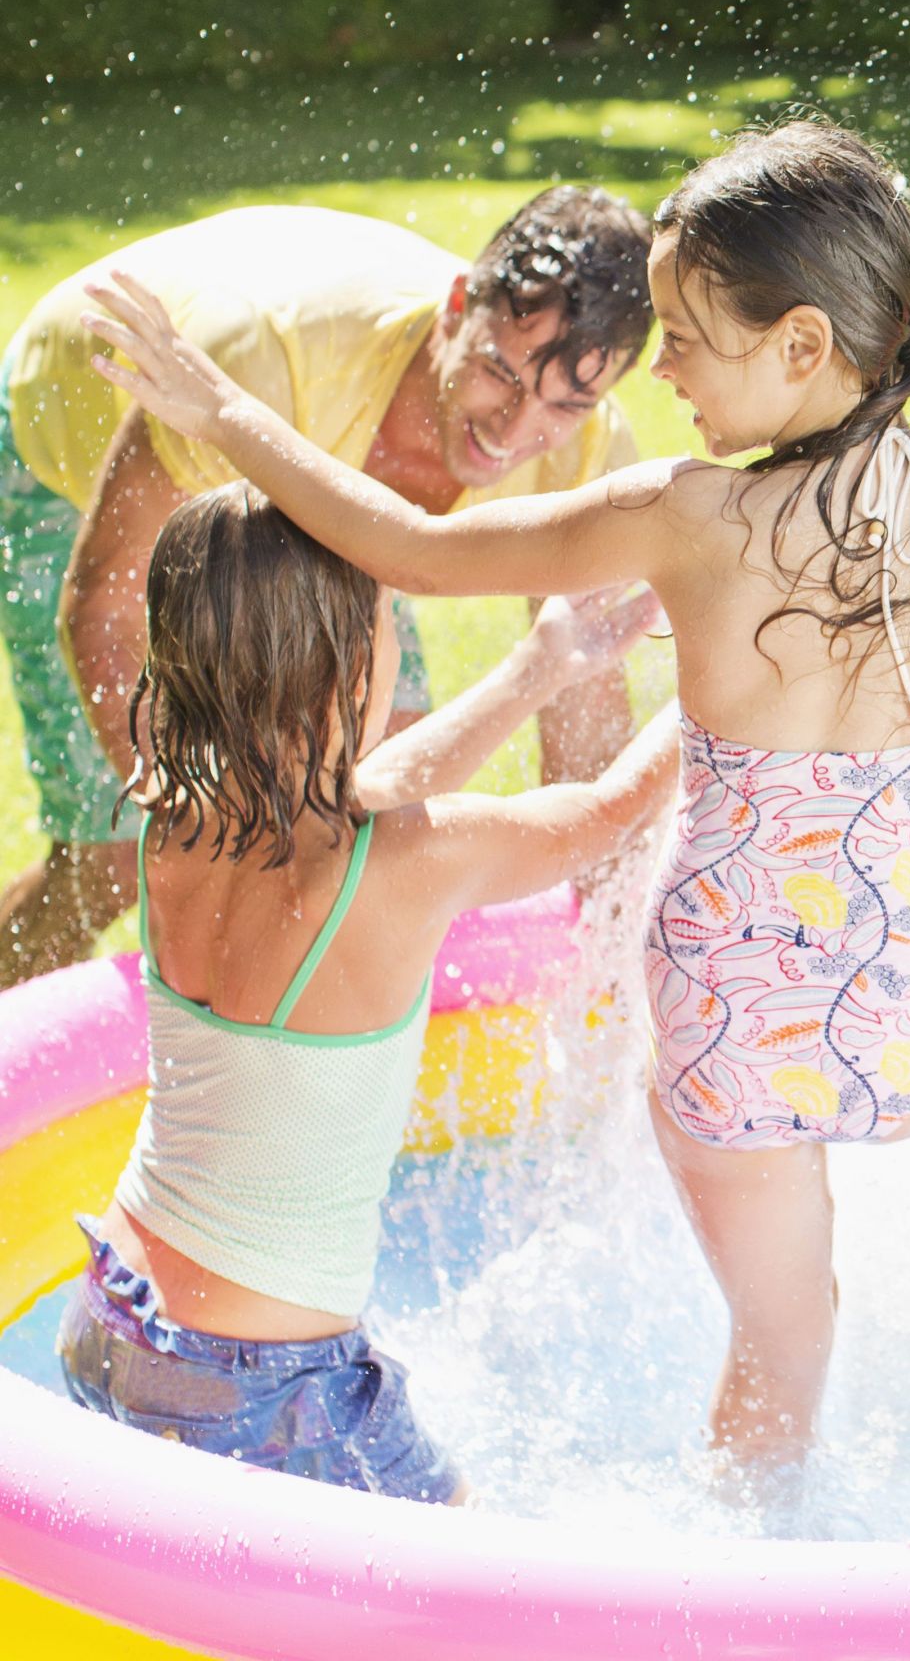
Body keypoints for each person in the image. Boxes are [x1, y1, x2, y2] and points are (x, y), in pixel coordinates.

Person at [82, 116, 910, 1473]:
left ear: (803, 345)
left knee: (778, 1356)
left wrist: (223, 414)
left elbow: (412, 545)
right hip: (895, 1017)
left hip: (717, 1039)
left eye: (689, 337)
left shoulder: (680, 515)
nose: (672, 371)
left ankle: (723, 1584)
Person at [59, 481, 677, 1502]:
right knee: (472, 1595)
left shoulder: (178, 813)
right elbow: (608, 812)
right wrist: (731, 681)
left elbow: (367, 785)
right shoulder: (406, 864)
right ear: (353, 665)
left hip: (114, 1316)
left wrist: (537, 671)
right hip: (260, 1385)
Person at [0, 191, 657, 987]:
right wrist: (198, 834)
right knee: (114, 857)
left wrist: (611, 938)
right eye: (498, 373)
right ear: (456, 308)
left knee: (380, 819)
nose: (515, 431)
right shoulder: (269, 359)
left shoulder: (586, 451)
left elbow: (585, 714)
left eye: (565, 404)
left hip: (328, 488)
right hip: (74, 437)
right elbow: (104, 603)